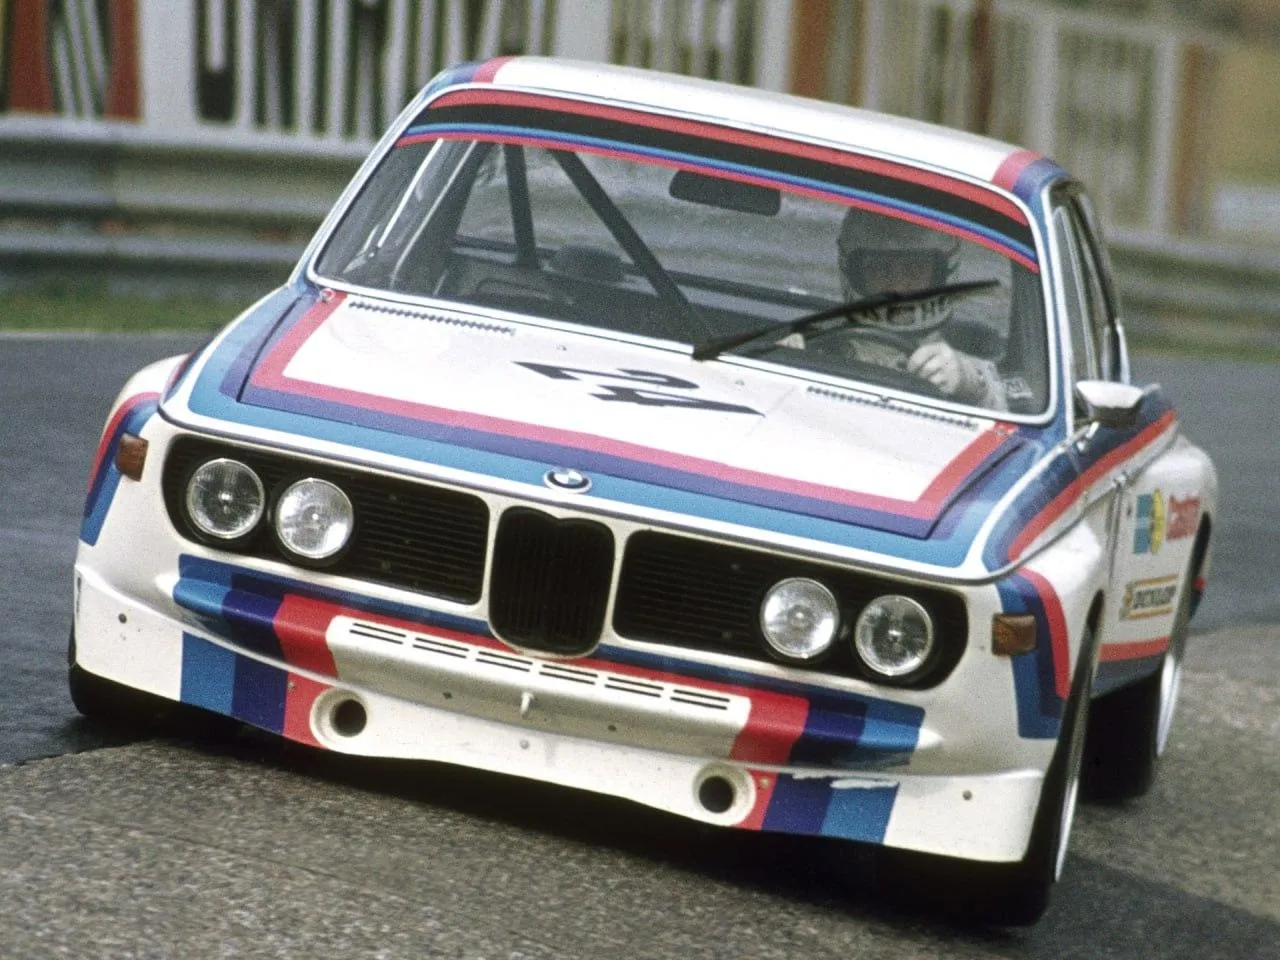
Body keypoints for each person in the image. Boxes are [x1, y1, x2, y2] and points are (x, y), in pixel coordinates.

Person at [832, 206, 1007, 410]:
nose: (898, 286)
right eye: (881, 269)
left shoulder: (973, 348)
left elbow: (1018, 421)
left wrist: (971, 383)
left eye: (913, 269)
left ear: (942, 273)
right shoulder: (818, 339)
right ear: (854, 273)